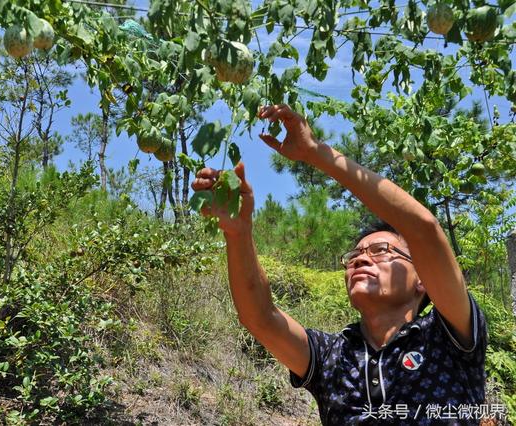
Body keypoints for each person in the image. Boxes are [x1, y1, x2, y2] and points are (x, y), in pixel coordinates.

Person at [191, 105, 489, 425]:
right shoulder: (332, 356)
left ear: (422, 280)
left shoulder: (449, 336)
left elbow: (424, 230)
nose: (361, 258)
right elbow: (260, 318)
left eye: (381, 250)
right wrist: (238, 233)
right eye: (355, 255)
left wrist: (315, 152)